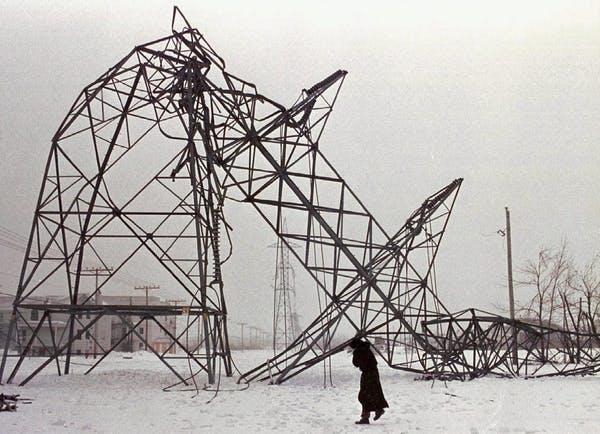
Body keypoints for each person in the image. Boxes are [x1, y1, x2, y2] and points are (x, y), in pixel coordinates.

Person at [348, 337, 389, 424]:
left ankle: (370, 414)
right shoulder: (366, 348)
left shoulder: (358, 351)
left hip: (367, 374)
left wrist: (355, 354)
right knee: (373, 393)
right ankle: (371, 414)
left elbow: (355, 363)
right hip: (374, 373)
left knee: (364, 395)